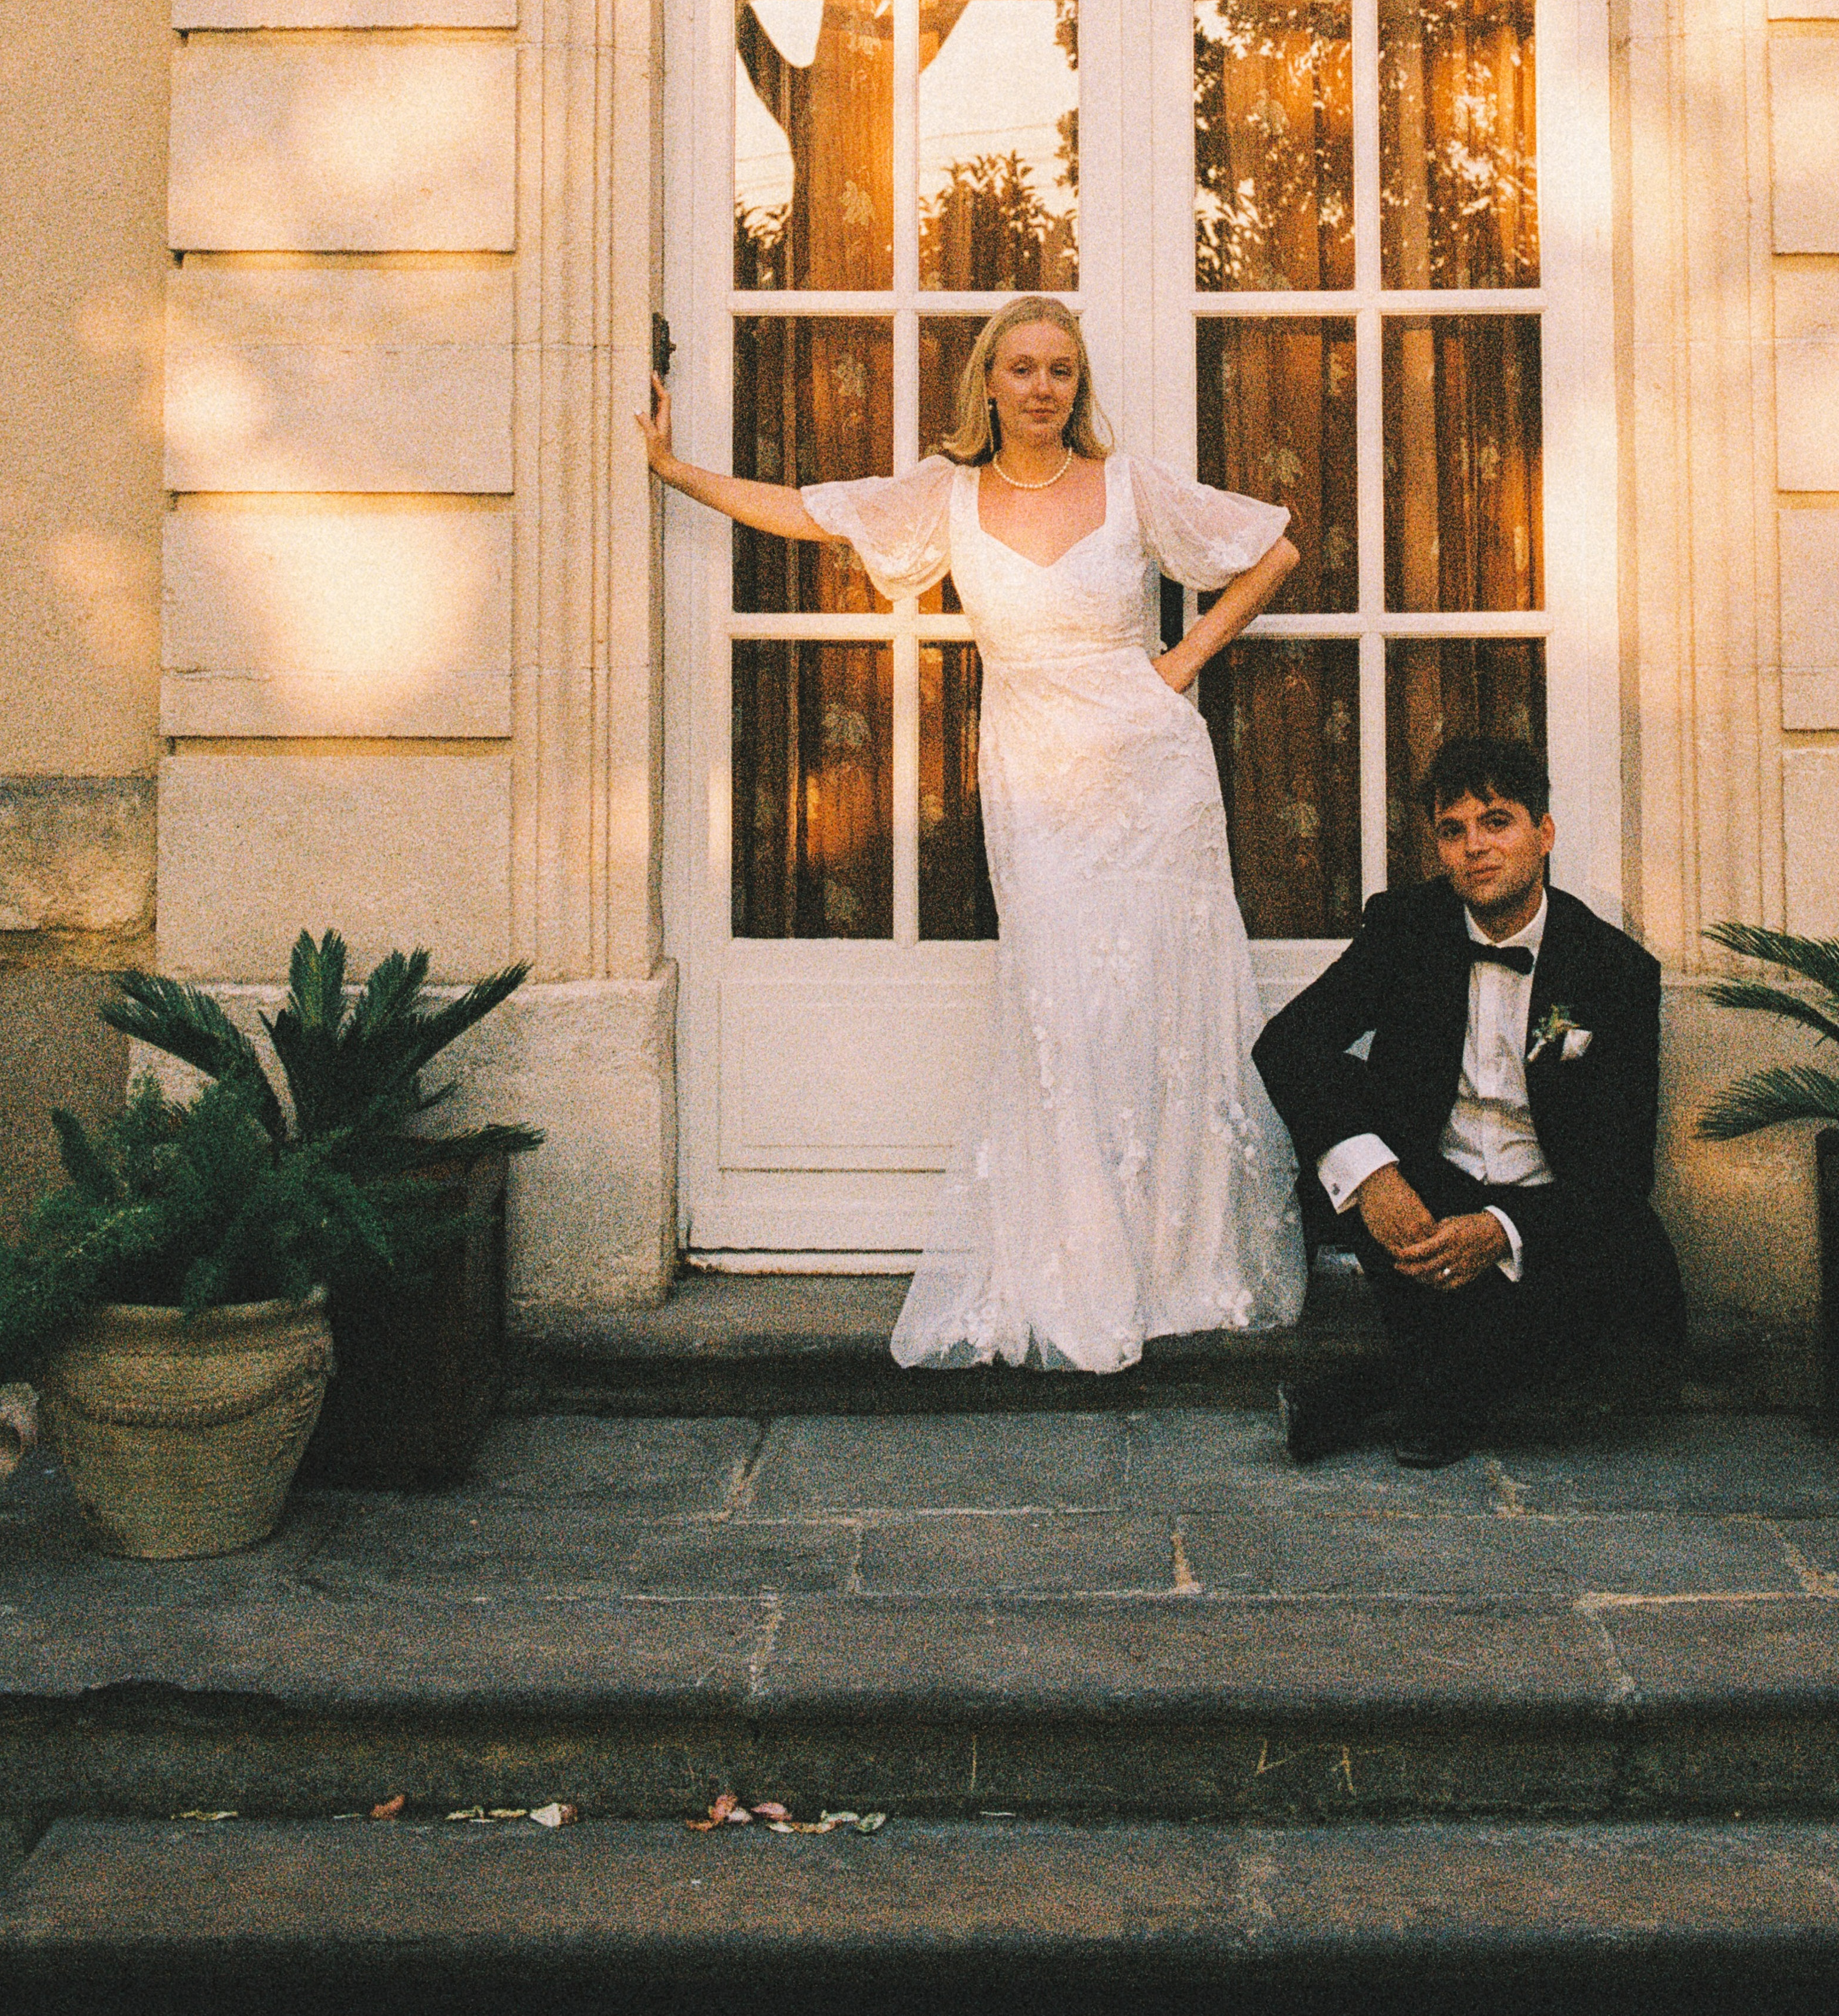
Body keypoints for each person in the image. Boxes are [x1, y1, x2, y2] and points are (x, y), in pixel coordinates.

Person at [641, 293, 1309, 1373]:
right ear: (988, 384)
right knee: (1061, 1006)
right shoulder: (946, 494)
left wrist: (1178, 665)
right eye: (1022, 368)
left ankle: (1175, 1261)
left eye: (1060, 369)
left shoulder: (1129, 484)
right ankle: (1078, 1264)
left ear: (1078, 386)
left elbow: (1270, 551)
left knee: (1159, 1002)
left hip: (1151, 781)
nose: (1043, 387)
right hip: (1035, 782)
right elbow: (812, 513)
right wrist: (675, 472)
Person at [1253, 732, 1686, 1468]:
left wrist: (1500, 1230)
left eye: (1496, 822)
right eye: (1451, 831)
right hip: (1424, 1194)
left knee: (1635, 1301)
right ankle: (1448, 1391)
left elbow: (1619, 1170)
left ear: (1543, 834)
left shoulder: (1611, 970)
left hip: (1543, 1215)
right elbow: (1288, 1043)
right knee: (1345, 1161)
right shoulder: (1405, 930)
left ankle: (1390, 1393)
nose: (1474, 847)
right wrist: (1376, 1179)